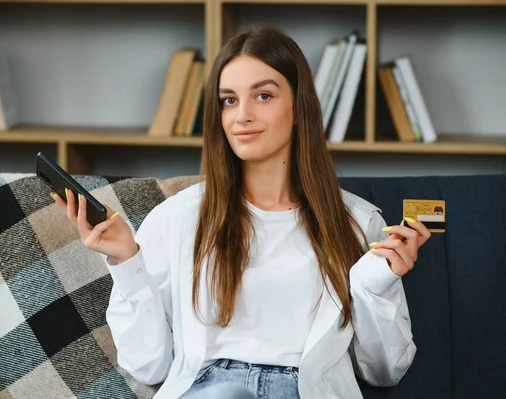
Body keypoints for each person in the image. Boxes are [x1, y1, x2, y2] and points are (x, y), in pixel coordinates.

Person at [52, 25, 430, 399]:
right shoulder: (177, 218)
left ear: (300, 108)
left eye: (263, 96)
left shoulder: (359, 223)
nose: (241, 116)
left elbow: (384, 373)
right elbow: (148, 367)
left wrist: (373, 285)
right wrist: (126, 262)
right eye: (228, 100)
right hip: (208, 391)